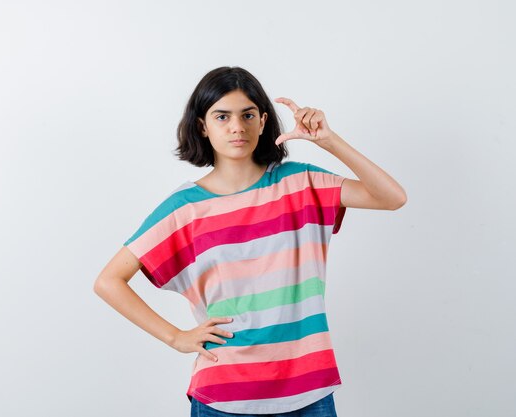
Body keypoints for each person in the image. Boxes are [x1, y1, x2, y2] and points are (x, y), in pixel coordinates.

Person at [94, 66, 407, 416]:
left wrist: (329, 141)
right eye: (222, 116)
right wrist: (175, 337)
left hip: (309, 392)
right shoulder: (183, 208)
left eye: (247, 115)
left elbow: (391, 197)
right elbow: (109, 281)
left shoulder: (301, 183)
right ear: (203, 126)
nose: (236, 127)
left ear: (262, 121)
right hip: (223, 396)